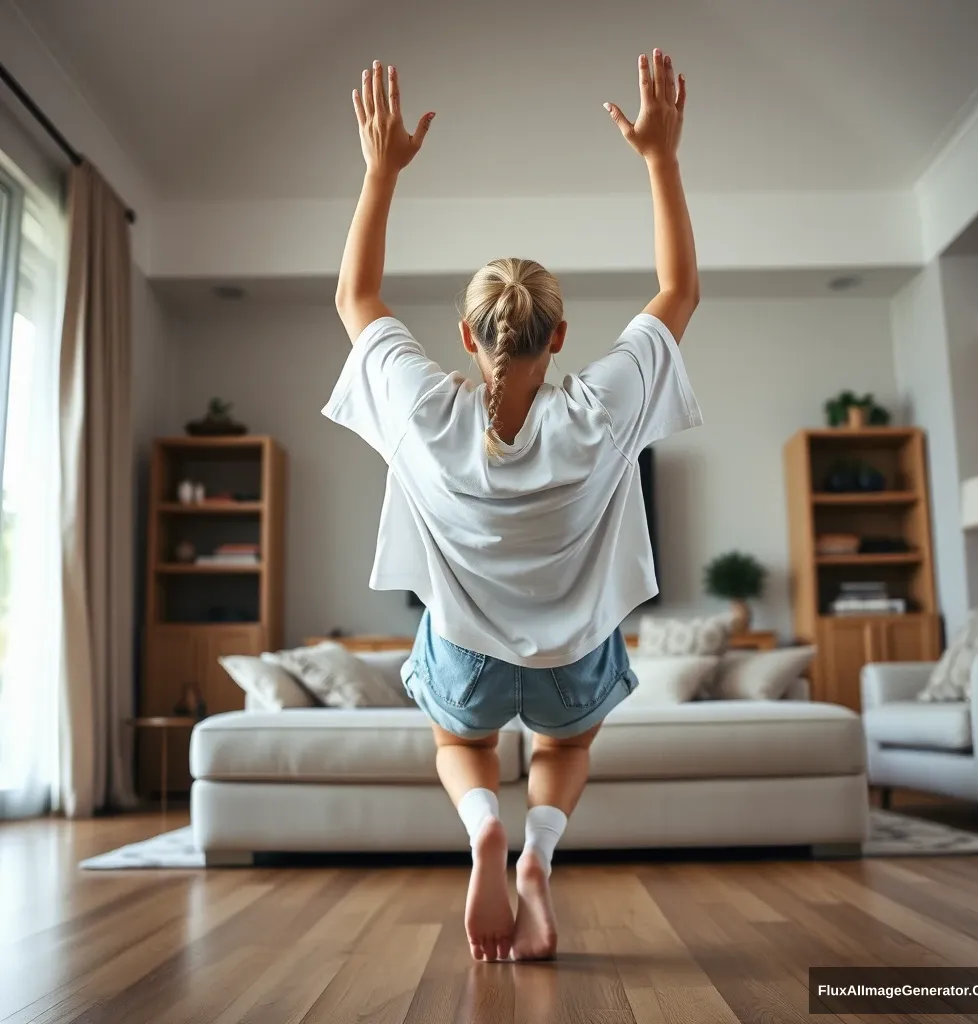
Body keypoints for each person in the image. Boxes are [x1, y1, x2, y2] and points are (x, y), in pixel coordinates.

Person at [325, 49, 701, 962]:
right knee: (563, 753)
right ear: (560, 335)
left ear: (466, 334)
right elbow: (679, 293)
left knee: (460, 744)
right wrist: (660, 158)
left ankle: (484, 827)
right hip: (573, 652)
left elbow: (355, 297)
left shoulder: (423, 409)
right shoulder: (602, 409)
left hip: (462, 646)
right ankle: (535, 854)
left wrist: (381, 171)